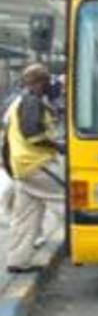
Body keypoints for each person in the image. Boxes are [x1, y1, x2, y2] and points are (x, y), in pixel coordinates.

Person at [4, 63, 65, 273]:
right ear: (39, 82)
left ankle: (17, 260)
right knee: (69, 199)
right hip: (37, 164)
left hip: (22, 167)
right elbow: (33, 134)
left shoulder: (17, 102)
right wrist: (59, 147)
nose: (50, 86)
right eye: (47, 82)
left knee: (26, 217)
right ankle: (92, 244)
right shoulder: (32, 102)